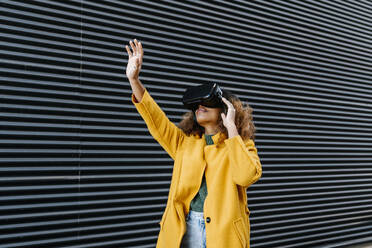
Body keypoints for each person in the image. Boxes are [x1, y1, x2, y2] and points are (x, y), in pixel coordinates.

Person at [125, 39, 262, 248]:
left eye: (208, 103)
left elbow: (246, 176)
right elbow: (156, 119)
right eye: (197, 105)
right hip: (184, 232)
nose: (200, 106)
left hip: (224, 236)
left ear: (224, 109)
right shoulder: (183, 143)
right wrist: (134, 80)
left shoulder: (241, 145)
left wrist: (232, 128)